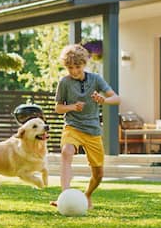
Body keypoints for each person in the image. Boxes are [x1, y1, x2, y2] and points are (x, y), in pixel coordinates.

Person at [51, 44, 120, 209]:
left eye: (77, 66)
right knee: (66, 152)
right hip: (73, 126)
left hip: (93, 131)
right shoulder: (64, 82)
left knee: (98, 174)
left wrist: (104, 100)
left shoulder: (96, 79)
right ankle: (64, 197)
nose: (74, 71)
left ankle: (87, 195)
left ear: (84, 64)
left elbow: (116, 98)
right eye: (70, 67)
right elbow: (58, 108)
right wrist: (72, 107)